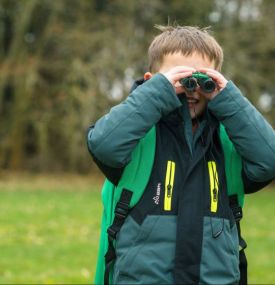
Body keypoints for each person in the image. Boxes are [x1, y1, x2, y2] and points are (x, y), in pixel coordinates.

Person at [87, 25, 275, 285]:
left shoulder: (227, 143)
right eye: (179, 80)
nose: (191, 89)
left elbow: (269, 160)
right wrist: (158, 90)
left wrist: (228, 98)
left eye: (201, 80)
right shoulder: (139, 140)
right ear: (152, 80)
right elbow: (104, 144)